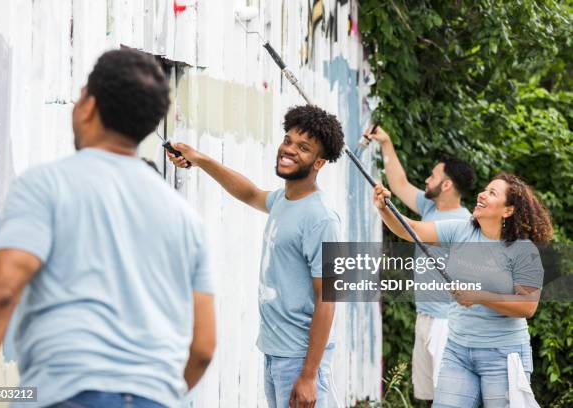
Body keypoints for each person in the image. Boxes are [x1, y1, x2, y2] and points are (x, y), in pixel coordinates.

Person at [0, 49, 216, 408]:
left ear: (88, 106)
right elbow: (203, 347)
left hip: (65, 394)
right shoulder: (187, 220)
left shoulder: (46, 186)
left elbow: (0, 292)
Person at [168, 105, 345, 408]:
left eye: (303, 148)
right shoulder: (283, 200)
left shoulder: (323, 218)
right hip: (276, 351)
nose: (289, 150)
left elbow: (330, 298)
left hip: (299, 358)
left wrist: (309, 374)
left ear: (319, 163)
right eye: (288, 140)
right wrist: (200, 160)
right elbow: (249, 193)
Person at [373, 172, 552, 408]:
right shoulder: (461, 230)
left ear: (508, 211)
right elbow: (411, 230)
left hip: (503, 354)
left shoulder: (522, 250)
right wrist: (384, 209)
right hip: (458, 351)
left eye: (492, 193)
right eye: (485, 189)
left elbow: (527, 306)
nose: (482, 194)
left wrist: (478, 296)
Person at [363, 126, 475, 401]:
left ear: (446, 185)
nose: (426, 179)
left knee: (450, 398)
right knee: (430, 396)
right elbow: (399, 184)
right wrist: (386, 142)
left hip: (447, 324)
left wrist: (385, 209)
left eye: (433, 176)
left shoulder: (463, 223)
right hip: (425, 317)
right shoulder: (430, 209)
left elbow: (405, 229)